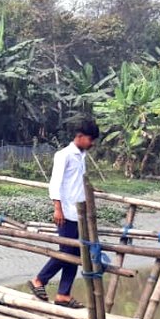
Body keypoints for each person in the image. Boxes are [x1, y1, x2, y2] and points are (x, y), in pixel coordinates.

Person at [29, 120, 100, 308]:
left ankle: (63, 294)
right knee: (66, 252)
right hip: (66, 212)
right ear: (80, 136)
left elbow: (77, 182)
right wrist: (57, 208)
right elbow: (55, 183)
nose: (92, 144)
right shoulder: (64, 155)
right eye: (90, 139)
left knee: (76, 253)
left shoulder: (82, 156)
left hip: (80, 214)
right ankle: (39, 280)